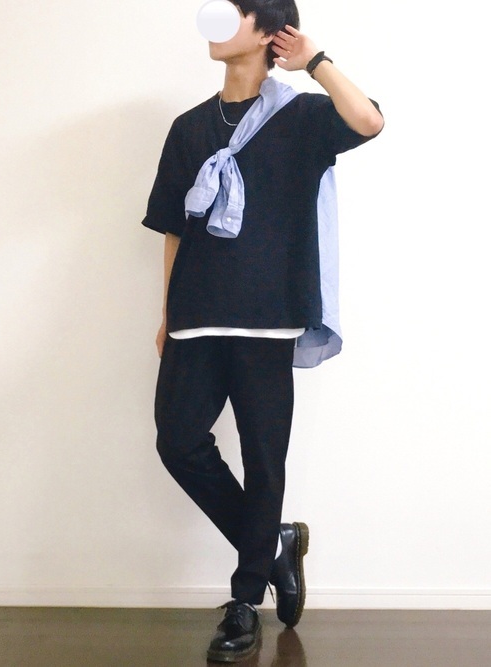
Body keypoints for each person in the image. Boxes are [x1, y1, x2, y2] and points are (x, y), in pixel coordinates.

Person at [142, 0, 384, 662]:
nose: (216, 26)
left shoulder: (301, 117)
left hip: (267, 317)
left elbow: (369, 120)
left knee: (263, 457)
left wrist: (314, 61)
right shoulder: (189, 127)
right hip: (195, 316)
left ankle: (246, 599)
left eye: (234, 13)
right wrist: (167, 313)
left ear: (267, 30)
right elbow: (174, 227)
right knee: (178, 442)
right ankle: (273, 542)